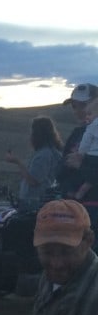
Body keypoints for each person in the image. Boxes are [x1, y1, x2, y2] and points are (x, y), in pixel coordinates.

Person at [57, 83, 98, 228]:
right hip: (72, 210)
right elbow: (61, 170)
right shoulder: (77, 134)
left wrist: (82, 165)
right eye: (74, 106)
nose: (78, 111)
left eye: (83, 105)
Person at [4, 116, 62, 211]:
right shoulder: (52, 151)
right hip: (41, 200)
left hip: (34, 201)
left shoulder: (44, 155)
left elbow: (33, 181)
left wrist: (17, 162)